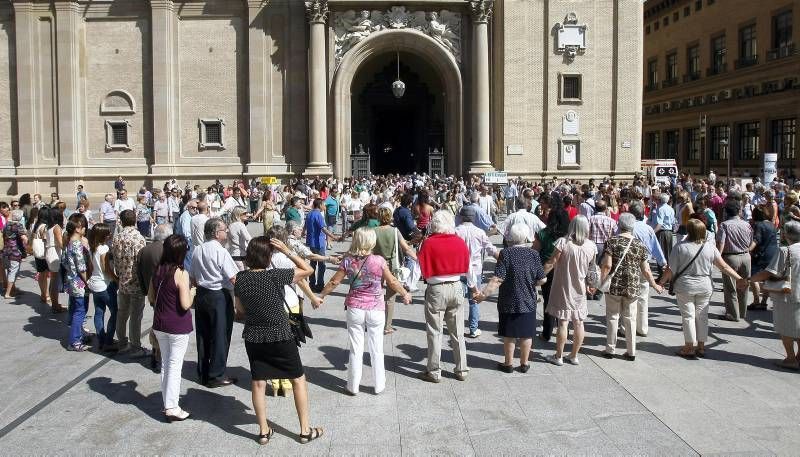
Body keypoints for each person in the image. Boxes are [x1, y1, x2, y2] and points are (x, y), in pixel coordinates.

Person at [233, 235, 324, 445]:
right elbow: (308, 270)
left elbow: (239, 310)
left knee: (258, 383)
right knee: (298, 379)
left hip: (254, 336)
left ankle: (264, 431)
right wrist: (287, 250)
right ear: (268, 256)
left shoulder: (240, 278)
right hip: (280, 334)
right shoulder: (274, 276)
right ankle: (304, 430)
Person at [318, 228, 411, 395]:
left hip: (355, 307)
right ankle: (379, 385)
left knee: (356, 348)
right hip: (375, 308)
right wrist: (404, 293)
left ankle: (353, 386)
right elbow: (392, 281)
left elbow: (334, 282)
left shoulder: (348, 261)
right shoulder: (379, 260)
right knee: (377, 348)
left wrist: (320, 296)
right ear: (371, 242)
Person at [659, 219, 748, 358]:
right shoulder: (710, 247)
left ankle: (689, 346)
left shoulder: (680, 247)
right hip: (705, 285)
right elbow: (724, 266)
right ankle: (701, 346)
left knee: (688, 316)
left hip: (685, 286)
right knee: (702, 316)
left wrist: (661, 283)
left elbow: (671, 269)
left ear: (689, 231)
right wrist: (739, 278)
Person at [474, 224, 545, 372]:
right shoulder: (534, 254)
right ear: (527, 237)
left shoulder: (505, 254)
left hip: (509, 299)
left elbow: (497, 279)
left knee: (509, 333)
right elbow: (542, 279)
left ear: (511, 238)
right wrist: (532, 282)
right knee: (526, 334)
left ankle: (508, 363)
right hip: (528, 299)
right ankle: (524, 364)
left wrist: (483, 295)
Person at [599, 213, 663, 361]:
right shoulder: (639, 245)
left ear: (619, 225)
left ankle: (610, 349)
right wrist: (654, 284)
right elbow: (646, 270)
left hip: (614, 285)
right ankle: (631, 351)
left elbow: (607, 265)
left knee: (613, 317)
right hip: (632, 286)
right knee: (630, 318)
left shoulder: (612, 242)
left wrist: (601, 282)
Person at [417, 211, 470, 383]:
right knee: (458, 332)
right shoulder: (459, 241)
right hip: (456, 286)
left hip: (437, 288)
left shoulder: (429, 243)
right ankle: (461, 369)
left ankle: (434, 371)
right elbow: (467, 266)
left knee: (434, 331)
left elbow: (422, 267)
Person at [148, 234, 194, 421]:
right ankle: (172, 407)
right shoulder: (180, 273)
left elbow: (151, 297)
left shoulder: (158, 270)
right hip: (177, 325)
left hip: (160, 323)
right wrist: (192, 291)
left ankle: (168, 403)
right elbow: (185, 304)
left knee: (166, 364)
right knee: (175, 365)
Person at [543, 215, 596, 366]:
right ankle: (574, 355)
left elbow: (551, 262)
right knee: (579, 322)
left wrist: (537, 276)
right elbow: (592, 269)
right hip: (580, 288)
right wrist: (592, 285)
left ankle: (558, 356)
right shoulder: (591, 246)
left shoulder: (563, 243)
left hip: (563, 286)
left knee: (563, 322)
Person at [191, 218, 239, 387]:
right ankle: (217, 374)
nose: (226, 232)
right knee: (220, 335)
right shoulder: (221, 251)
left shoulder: (197, 250)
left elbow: (193, 278)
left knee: (203, 335)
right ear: (217, 233)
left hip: (202, 294)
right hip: (218, 294)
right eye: (224, 230)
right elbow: (233, 277)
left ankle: (203, 371)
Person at [747, 221, 800, 370]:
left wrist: (750, 279)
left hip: (788, 295)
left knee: (786, 328)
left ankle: (790, 358)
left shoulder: (785, 251)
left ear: (785, 234)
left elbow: (770, 272)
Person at [455, 205, 499, 338]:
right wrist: (504, 259)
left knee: (457, 301)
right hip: (476, 270)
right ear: (473, 218)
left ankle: (456, 326)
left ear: (461, 217)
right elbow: (491, 250)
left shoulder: (455, 231)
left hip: (459, 270)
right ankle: (473, 328)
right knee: (474, 299)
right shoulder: (480, 232)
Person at [371, 207, 417, 334]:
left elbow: (369, 249)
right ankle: (387, 326)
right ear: (390, 217)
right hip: (392, 265)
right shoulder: (395, 231)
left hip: (376, 264)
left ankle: (373, 322)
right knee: (390, 296)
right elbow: (406, 248)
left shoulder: (374, 231)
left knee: (375, 294)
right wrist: (418, 259)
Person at [137, 223, 173, 372]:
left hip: (151, 293)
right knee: (163, 326)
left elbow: (138, 271)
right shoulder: (165, 250)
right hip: (164, 294)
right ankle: (159, 355)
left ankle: (156, 352)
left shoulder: (144, 249)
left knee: (158, 322)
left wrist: (145, 291)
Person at [629, 202, 668, 337]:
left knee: (628, 296)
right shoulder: (648, 229)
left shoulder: (626, 228)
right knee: (643, 297)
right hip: (645, 265)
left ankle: (627, 326)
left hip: (629, 264)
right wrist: (662, 262)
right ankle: (642, 327)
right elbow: (655, 247)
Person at [112, 209, 148, 356]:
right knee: (136, 315)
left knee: (122, 313)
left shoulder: (117, 238)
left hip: (122, 280)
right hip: (136, 283)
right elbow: (142, 261)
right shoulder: (138, 238)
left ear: (121, 221)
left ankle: (121, 342)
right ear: (135, 221)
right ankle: (135, 346)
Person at [533, 208, 570, 341]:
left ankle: (547, 332)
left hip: (547, 270)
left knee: (548, 301)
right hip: (566, 271)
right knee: (565, 301)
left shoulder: (543, 233)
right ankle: (564, 329)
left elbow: (535, 251)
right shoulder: (569, 235)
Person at [716, 202, 753, 321]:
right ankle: (742, 312)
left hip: (730, 257)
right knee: (744, 285)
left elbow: (721, 243)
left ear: (727, 212)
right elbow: (750, 241)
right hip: (746, 256)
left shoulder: (724, 225)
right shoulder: (747, 225)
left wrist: (717, 258)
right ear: (739, 211)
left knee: (730, 287)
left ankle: (733, 314)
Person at [87, 223, 119, 352]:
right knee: (115, 312)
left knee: (99, 312)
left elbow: (91, 267)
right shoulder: (104, 249)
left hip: (94, 284)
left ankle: (101, 338)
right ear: (103, 236)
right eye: (107, 233)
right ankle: (108, 341)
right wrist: (116, 279)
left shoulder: (91, 248)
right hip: (105, 285)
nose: (109, 235)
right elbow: (106, 268)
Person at [61, 215, 90, 351]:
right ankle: (75, 340)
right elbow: (81, 266)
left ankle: (76, 333)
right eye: (82, 227)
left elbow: (63, 261)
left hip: (70, 280)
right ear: (78, 229)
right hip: (78, 282)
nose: (84, 229)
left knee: (73, 308)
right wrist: (87, 280)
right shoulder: (77, 243)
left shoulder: (67, 242)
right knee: (80, 310)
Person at [305, 198, 340, 292]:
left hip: (311, 242)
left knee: (313, 263)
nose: (325, 206)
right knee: (321, 264)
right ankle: (320, 285)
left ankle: (311, 284)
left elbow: (305, 227)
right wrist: (334, 237)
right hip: (319, 243)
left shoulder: (309, 214)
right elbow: (323, 228)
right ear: (320, 205)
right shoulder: (318, 215)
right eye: (324, 205)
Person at [748, 207, 778, 310]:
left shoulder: (758, 225)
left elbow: (757, 239)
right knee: (767, 278)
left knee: (753, 277)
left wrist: (748, 250)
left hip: (760, 254)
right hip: (773, 253)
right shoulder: (771, 224)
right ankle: (764, 303)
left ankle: (756, 301)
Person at [29, 207, 52, 303]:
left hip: (37, 253)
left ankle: (43, 294)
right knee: (45, 275)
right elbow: (46, 240)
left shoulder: (36, 225)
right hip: (44, 253)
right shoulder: (44, 226)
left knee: (41, 274)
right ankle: (46, 294)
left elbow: (32, 237)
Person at [45, 206, 65, 313]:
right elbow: (60, 243)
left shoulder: (49, 227)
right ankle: (55, 304)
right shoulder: (57, 227)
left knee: (53, 280)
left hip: (50, 251)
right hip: (54, 253)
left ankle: (55, 302)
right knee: (55, 280)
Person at [227, 206, 253, 271]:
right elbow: (248, 239)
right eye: (244, 213)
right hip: (242, 254)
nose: (247, 215)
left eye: (247, 213)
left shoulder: (230, 225)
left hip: (233, 254)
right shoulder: (240, 225)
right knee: (244, 278)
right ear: (238, 215)